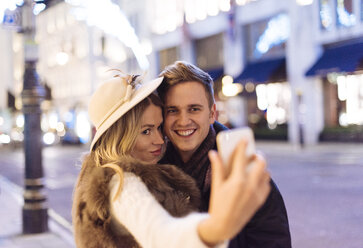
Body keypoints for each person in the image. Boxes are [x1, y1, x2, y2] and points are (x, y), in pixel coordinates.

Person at [72, 72, 271, 248]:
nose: (159, 140)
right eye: (146, 131)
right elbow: (160, 235)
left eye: (159, 127)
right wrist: (217, 227)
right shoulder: (118, 180)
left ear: (212, 113)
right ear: (120, 135)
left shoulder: (150, 169)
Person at [158, 61, 292, 248]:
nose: (184, 120)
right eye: (173, 110)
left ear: (212, 113)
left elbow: (272, 240)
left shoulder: (245, 172)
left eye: (194, 109)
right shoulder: (151, 171)